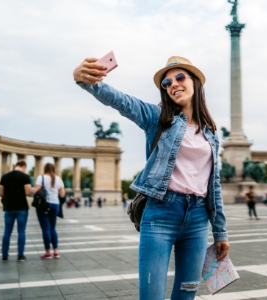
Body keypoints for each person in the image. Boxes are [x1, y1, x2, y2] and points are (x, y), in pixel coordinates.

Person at [74, 55, 230, 299]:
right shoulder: (157, 118)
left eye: (180, 77)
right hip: (160, 214)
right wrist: (87, 82)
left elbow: (214, 185)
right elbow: (122, 101)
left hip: (198, 221)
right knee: (151, 296)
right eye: (166, 84)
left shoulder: (210, 132)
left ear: (196, 82)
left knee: (186, 294)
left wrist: (220, 233)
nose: (173, 85)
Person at [0, 160, 32, 261]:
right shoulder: (25, 177)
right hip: (21, 207)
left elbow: (1, 193)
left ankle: (4, 255)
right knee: (21, 231)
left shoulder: (5, 176)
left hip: (9, 207)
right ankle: (20, 255)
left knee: (7, 232)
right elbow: (28, 192)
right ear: (23, 167)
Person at [34, 163, 65, 259]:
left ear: (45, 169)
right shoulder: (58, 178)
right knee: (53, 228)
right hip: (55, 205)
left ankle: (48, 252)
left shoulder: (41, 177)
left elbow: (36, 191)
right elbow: (62, 194)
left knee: (46, 229)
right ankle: (56, 251)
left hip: (44, 205)